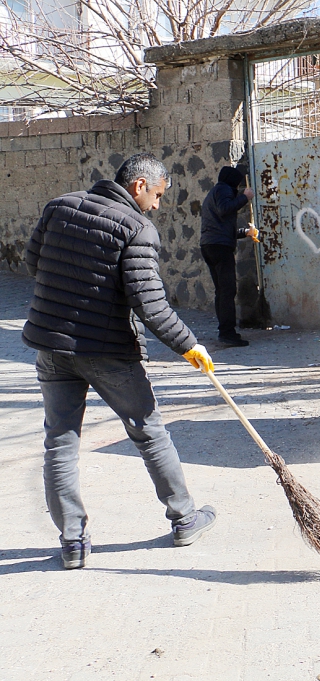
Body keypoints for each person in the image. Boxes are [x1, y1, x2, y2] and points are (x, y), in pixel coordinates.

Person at [24, 152, 220, 569]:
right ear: (139, 186)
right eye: (158, 195)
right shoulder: (137, 229)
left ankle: (73, 543)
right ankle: (184, 518)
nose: (159, 205)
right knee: (149, 433)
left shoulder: (58, 207)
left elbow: (33, 261)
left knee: (60, 444)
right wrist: (190, 346)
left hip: (52, 348)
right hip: (109, 351)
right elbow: (150, 305)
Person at [199, 165, 258, 347]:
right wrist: (245, 197)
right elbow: (226, 209)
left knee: (222, 291)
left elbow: (223, 225)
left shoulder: (215, 192)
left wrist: (246, 232)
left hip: (211, 244)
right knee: (227, 290)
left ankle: (225, 330)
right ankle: (227, 333)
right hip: (219, 247)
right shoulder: (224, 189)